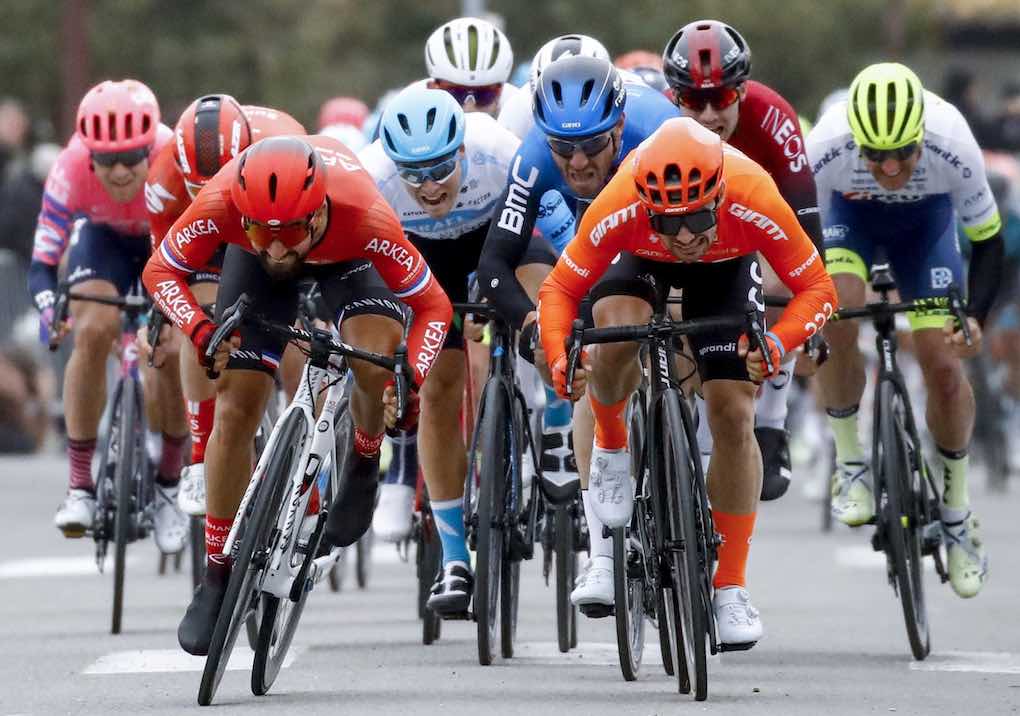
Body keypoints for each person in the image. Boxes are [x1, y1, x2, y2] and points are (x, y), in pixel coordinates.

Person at [142, 135, 453, 655]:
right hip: (252, 270)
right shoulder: (224, 204)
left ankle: (363, 457)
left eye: (289, 232)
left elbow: (434, 308)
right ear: (243, 216)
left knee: (374, 355)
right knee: (236, 406)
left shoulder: (364, 215)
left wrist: (411, 376)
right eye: (263, 231)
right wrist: (198, 330)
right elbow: (160, 271)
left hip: (346, 257)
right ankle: (216, 573)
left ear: (318, 211)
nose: (279, 247)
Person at [537, 117, 835, 645]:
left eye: (697, 218)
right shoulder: (621, 204)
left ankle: (730, 589)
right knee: (611, 339)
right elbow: (560, 290)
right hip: (638, 260)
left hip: (727, 271)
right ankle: (610, 448)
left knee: (733, 411)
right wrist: (561, 355)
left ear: (718, 196)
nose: (686, 237)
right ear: (646, 206)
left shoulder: (753, 192)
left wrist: (779, 342)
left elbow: (817, 288)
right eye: (669, 222)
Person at [478, 55, 679, 604]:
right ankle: (603, 551)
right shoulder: (538, 155)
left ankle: (690, 456)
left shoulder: (658, 133)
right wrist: (531, 328)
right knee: (592, 349)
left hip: (661, 227)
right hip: (578, 242)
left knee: (677, 329)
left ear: (617, 126)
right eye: (565, 148)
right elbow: (496, 263)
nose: (579, 159)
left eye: (592, 144)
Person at [807, 62, 1003, 598]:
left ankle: (957, 513)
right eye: (875, 155)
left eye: (903, 153)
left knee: (941, 363)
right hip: (851, 221)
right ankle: (851, 461)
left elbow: (988, 241)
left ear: (922, 135)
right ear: (855, 141)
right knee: (840, 310)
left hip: (926, 229)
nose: (890, 168)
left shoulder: (952, 139)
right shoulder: (825, 144)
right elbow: (799, 233)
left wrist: (977, 320)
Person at [359, 86, 557, 613]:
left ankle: (557, 415)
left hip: (501, 236)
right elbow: (358, 269)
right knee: (441, 384)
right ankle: (453, 560)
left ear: (463, 152)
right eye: (414, 174)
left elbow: (560, 229)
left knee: (546, 303)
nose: (428, 187)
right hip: (427, 259)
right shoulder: (371, 176)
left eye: (441, 169)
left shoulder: (499, 149)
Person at [663, 19, 824, 500]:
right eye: (694, 100)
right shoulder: (658, 124)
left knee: (779, 284)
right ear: (674, 98)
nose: (710, 114)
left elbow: (805, 222)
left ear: (743, 90)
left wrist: (811, 318)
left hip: (756, 222)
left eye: (723, 99)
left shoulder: (774, 116)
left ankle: (772, 423)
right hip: (686, 234)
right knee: (669, 311)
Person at [27, 79, 189, 553]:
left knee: (165, 348)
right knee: (93, 328)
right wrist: (49, 311)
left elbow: (197, 247)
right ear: (88, 155)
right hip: (103, 242)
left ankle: (169, 484)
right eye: (106, 161)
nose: (119, 173)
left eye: (130, 160)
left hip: (165, 243)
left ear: (149, 150)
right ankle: (80, 485)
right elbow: (41, 265)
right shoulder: (69, 167)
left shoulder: (173, 159)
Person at [144, 94, 306, 518]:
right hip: (208, 235)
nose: (213, 192)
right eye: (201, 186)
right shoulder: (163, 181)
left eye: (219, 181)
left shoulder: (286, 141)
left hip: (269, 217)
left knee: (297, 339)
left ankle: (303, 450)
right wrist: (170, 314)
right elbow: (166, 268)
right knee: (198, 319)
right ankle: (200, 454)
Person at [423, 16, 518, 118]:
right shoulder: (412, 112)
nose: (469, 109)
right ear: (432, 88)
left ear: (500, 92)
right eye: (455, 94)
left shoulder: (521, 117)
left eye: (484, 95)